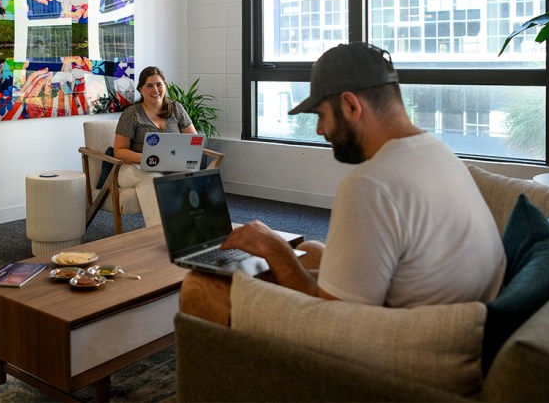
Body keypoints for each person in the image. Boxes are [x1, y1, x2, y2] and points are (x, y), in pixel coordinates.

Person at [180, 42, 506, 325]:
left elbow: (333, 319)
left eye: (321, 115)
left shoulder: (370, 185)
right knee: (309, 250)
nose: (320, 130)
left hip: (395, 342)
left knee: (199, 286)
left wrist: (272, 246)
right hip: (453, 314)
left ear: (351, 105)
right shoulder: (437, 151)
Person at [114, 66, 197, 227]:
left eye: (159, 84)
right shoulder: (131, 113)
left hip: (170, 165)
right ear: (141, 89)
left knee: (190, 178)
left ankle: (191, 229)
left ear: (165, 86)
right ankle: (159, 234)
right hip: (134, 167)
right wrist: (148, 159)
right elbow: (119, 151)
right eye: (149, 86)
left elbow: (193, 140)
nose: (155, 89)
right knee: (155, 181)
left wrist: (174, 159)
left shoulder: (176, 108)